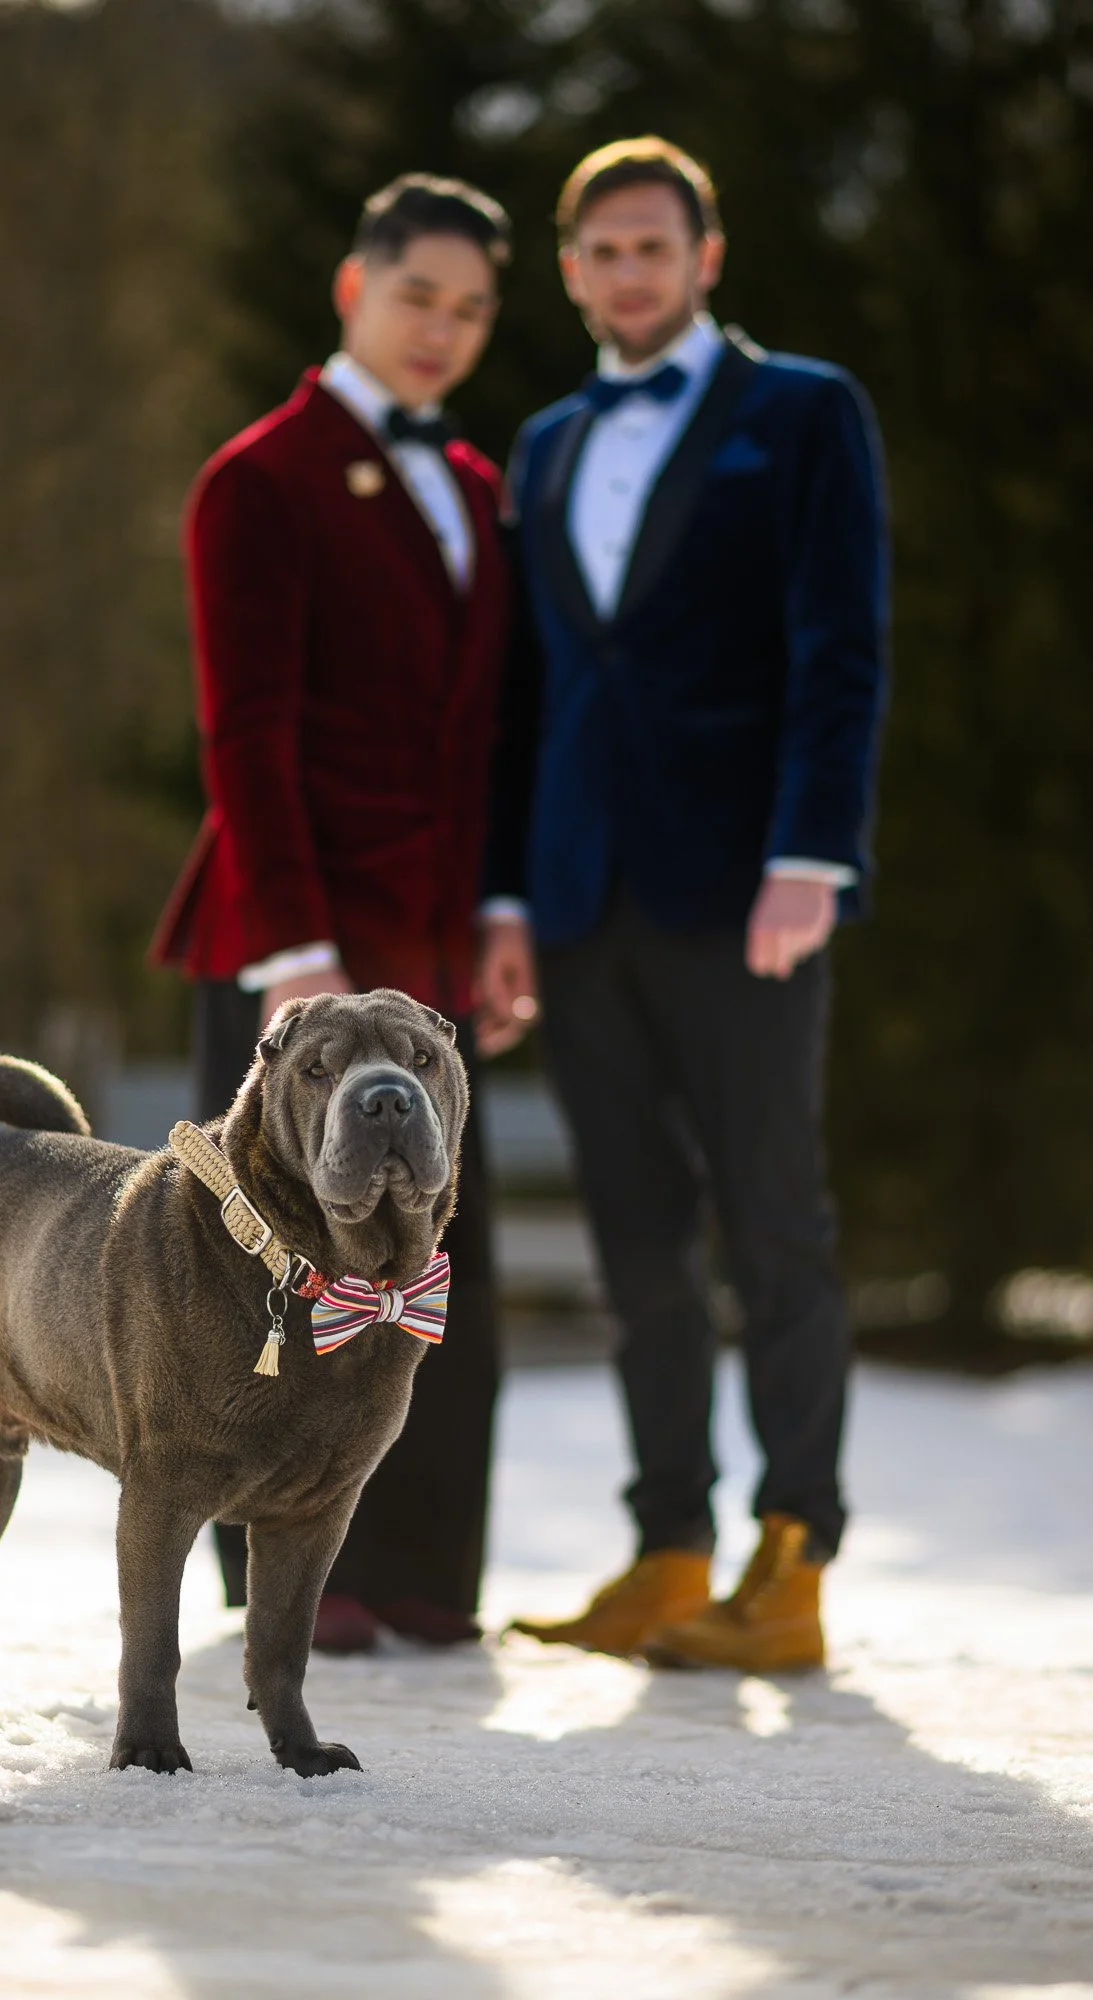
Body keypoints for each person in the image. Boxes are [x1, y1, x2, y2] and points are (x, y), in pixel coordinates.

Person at [489, 136, 889, 1670]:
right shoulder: (543, 445)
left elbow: (840, 645)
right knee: (636, 1241)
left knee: (774, 1219)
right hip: (579, 903)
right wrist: (508, 896)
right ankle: (668, 1550)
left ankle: (794, 1561)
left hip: (745, 894)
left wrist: (812, 854)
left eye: (654, 245)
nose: (629, 271)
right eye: (601, 250)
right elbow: (530, 694)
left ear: (706, 258)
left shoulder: (803, 412)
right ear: (571, 270)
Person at [151, 174, 535, 1655]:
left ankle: (426, 1571)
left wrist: (499, 909)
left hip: (432, 941)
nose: (442, 328)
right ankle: (289, 1584)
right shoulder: (257, 478)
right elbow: (244, 732)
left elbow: (491, 735)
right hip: (293, 929)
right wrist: (296, 950)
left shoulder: (479, 488)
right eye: (416, 294)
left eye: (472, 307)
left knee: (437, 1248)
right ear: (353, 288)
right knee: (265, 1252)